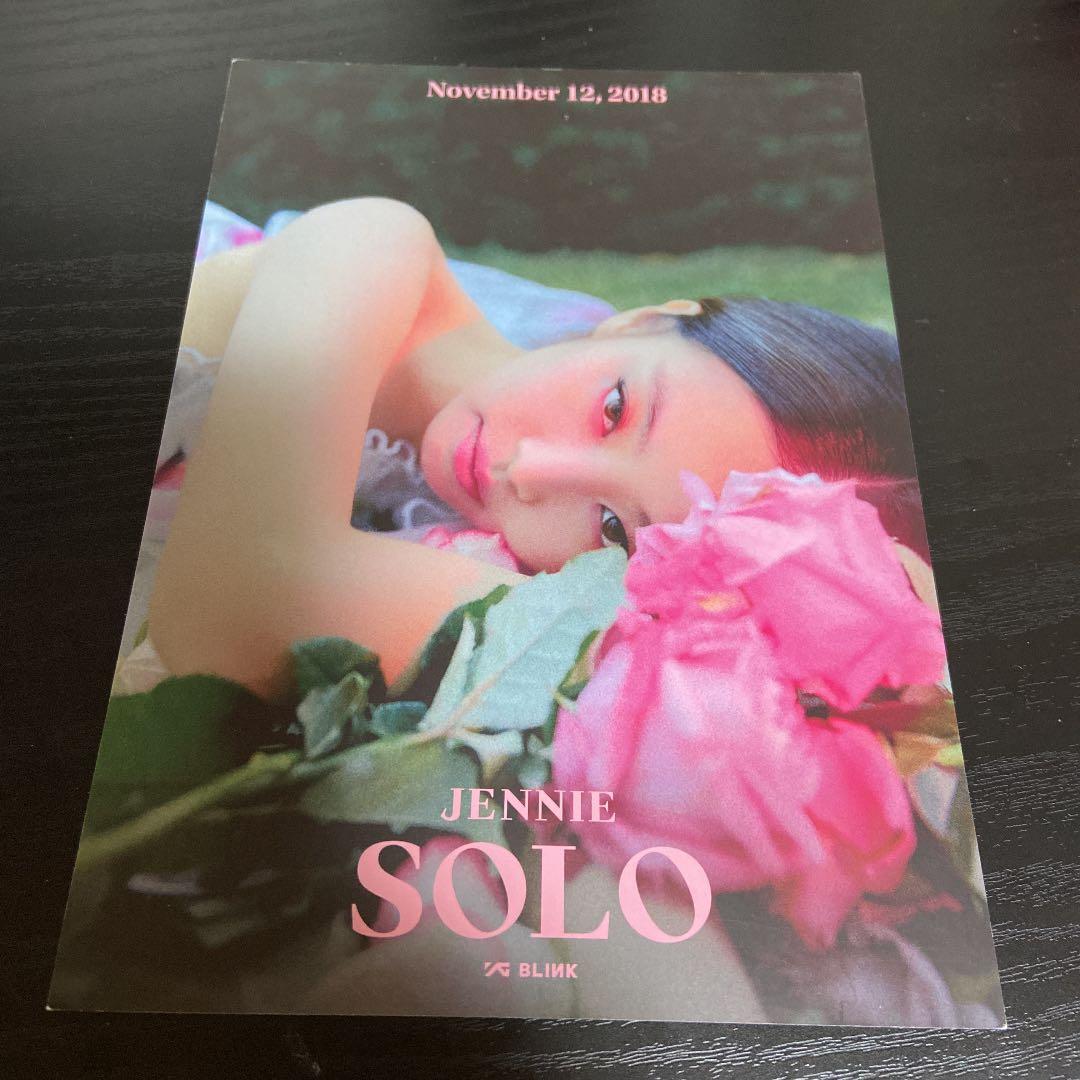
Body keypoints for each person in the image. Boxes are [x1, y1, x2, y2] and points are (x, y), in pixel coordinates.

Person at [151, 197, 926, 695]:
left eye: (614, 529)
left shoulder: (502, 558)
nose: (529, 472)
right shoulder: (371, 247)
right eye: (614, 409)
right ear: (644, 320)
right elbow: (232, 608)